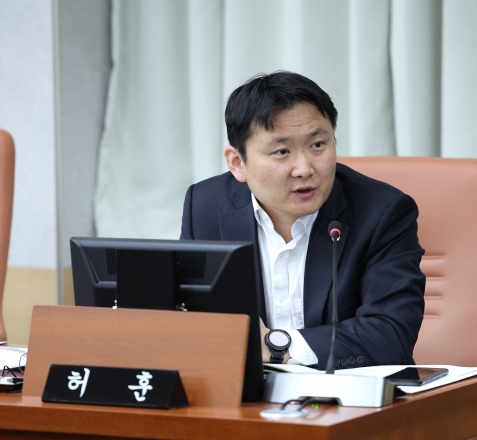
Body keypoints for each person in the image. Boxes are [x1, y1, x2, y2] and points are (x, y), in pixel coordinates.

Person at [180, 71, 425, 369]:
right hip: (245, 390)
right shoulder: (205, 207)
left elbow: (391, 335)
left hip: (350, 389)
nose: (305, 169)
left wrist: (275, 346)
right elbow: (189, 317)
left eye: (317, 145)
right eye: (282, 151)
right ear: (238, 163)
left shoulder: (382, 212)